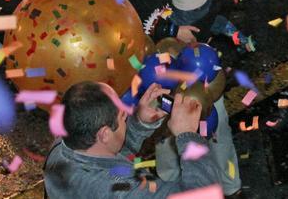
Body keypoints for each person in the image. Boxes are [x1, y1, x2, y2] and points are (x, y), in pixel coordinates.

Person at [43, 81, 218, 197]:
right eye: (122, 117)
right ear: (104, 133)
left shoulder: (62, 146)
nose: (126, 116)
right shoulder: (122, 190)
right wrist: (188, 136)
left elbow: (108, 153)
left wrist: (139, 124)